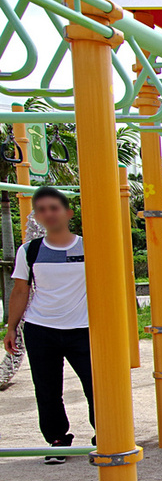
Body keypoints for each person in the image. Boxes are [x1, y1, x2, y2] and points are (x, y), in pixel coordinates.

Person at [3, 187, 93, 464]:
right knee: (47, 388)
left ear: (68, 213)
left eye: (54, 208)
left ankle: (106, 435)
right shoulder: (30, 251)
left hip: (84, 329)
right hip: (41, 329)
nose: (48, 214)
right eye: (41, 210)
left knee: (96, 386)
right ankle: (57, 439)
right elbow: (20, 290)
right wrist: (11, 327)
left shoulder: (89, 245)